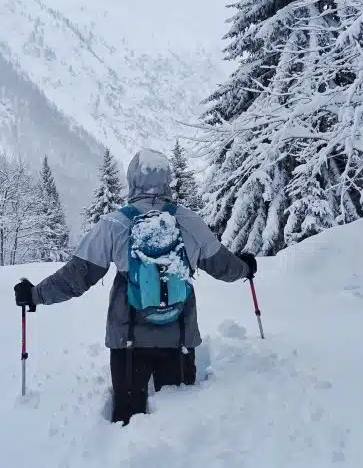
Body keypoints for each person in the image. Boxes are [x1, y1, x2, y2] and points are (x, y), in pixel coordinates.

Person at [13, 148, 256, 425]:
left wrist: (35, 295)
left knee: (126, 426)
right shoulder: (189, 222)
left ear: (132, 181)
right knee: (179, 426)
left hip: (127, 342)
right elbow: (224, 267)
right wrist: (246, 267)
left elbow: (76, 277)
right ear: (167, 181)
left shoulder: (115, 224)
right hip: (178, 341)